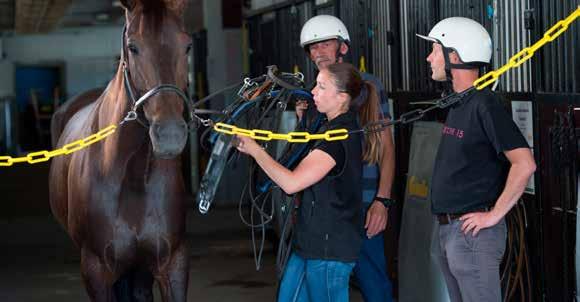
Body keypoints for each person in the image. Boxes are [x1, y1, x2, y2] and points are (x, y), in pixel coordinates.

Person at [416, 17, 536, 302]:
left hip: (472, 235)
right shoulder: (460, 103)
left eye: (435, 49)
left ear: (454, 56)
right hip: (450, 230)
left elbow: (525, 163)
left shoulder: (485, 104)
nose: (429, 57)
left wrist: (494, 215)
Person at [236, 62, 368, 302]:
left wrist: (256, 151)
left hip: (329, 250)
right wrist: (302, 119)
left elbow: (292, 182)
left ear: (341, 97)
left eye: (321, 87)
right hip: (309, 243)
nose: (313, 92)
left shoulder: (337, 138)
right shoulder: (327, 129)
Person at [296, 15, 395, 302]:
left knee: (373, 283)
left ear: (343, 48)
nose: (318, 53)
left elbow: (387, 149)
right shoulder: (314, 93)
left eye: (325, 43)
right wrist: (304, 120)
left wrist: (382, 201)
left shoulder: (367, 87)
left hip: (362, 206)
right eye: (313, 47)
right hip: (323, 211)